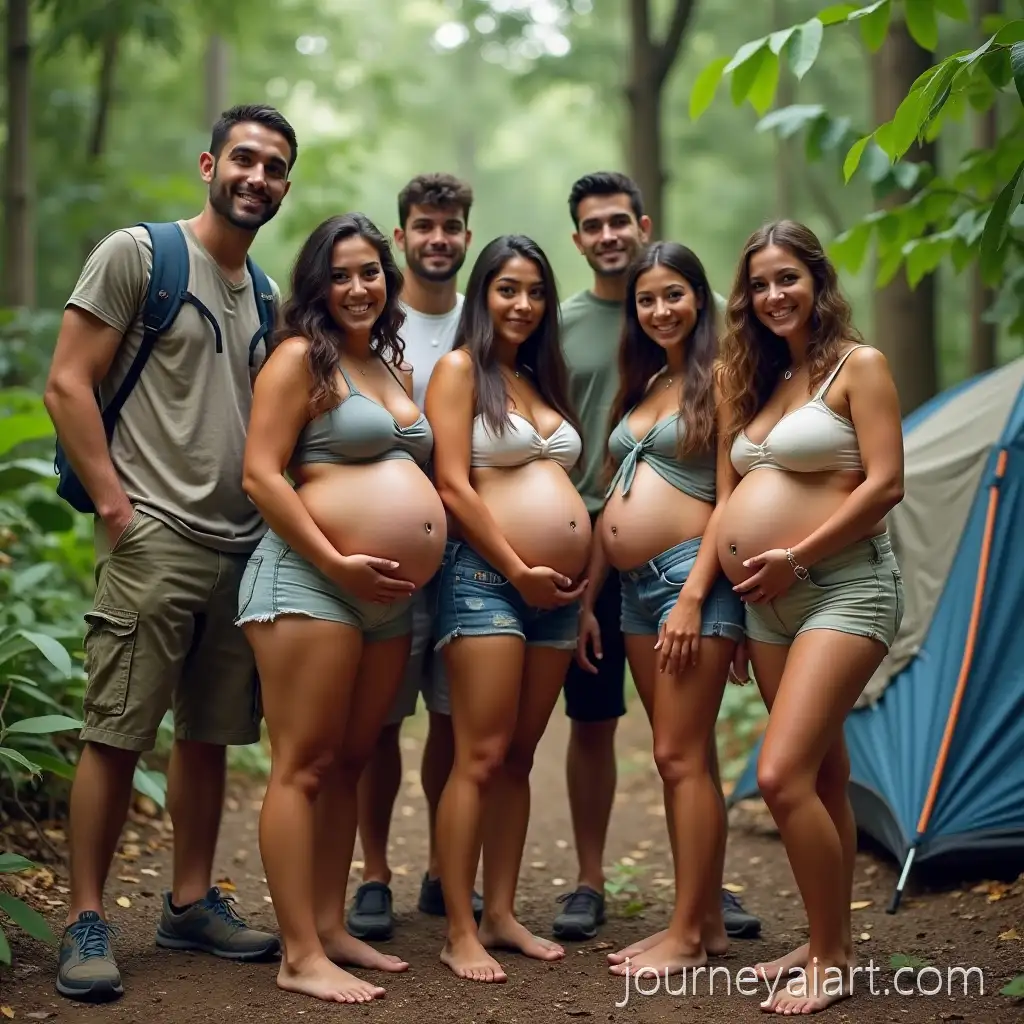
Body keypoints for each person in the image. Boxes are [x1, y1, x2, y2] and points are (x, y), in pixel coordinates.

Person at [43, 104, 297, 1003]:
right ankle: (84, 915)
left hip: (238, 548)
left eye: (273, 168)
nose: (256, 177)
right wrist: (116, 507)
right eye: (244, 159)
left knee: (210, 737)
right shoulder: (142, 257)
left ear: (284, 187)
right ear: (209, 163)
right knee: (115, 733)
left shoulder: (264, 294)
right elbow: (68, 380)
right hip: (154, 537)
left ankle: (190, 902)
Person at [237, 211, 447, 1003]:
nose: (359, 287)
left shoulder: (388, 366)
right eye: (343, 273)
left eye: (371, 273)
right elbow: (260, 475)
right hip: (310, 582)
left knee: (352, 763)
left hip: (384, 602)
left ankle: (329, 926)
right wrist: (335, 559)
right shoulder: (298, 357)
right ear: (317, 284)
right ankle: (298, 953)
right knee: (304, 765)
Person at [555, 171, 761, 942]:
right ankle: (690, 914)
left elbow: (730, 495)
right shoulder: (647, 378)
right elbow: (613, 489)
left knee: (680, 753)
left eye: (675, 296)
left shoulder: (723, 372)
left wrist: (694, 595)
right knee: (664, 748)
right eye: (649, 300)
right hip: (628, 583)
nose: (661, 308)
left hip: (686, 581)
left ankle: (692, 921)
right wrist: (589, 589)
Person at [714, 219, 904, 1014]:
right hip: (765, 608)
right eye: (758, 284)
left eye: (787, 278)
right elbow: (728, 500)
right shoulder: (751, 379)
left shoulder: (860, 367)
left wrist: (796, 554)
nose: (772, 295)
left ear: (817, 281)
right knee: (823, 774)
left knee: (780, 774)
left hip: (844, 588)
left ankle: (833, 958)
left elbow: (885, 484)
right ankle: (828, 937)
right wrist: (725, 590)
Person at [426, 234, 589, 983]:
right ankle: (459, 927)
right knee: (481, 754)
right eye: (507, 289)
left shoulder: (536, 379)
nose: (522, 305)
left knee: (519, 757)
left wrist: (570, 585)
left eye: (535, 292)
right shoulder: (460, 370)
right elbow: (454, 485)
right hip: (486, 582)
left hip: (553, 602)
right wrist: (519, 567)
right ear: (482, 294)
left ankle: (500, 911)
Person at [348, 172, 483, 942]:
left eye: (452, 225)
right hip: (386, 562)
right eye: (425, 226)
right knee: (377, 724)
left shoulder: (481, 324)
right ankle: (373, 873)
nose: (439, 238)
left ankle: (443, 865)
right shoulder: (369, 314)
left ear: (467, 235)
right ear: (401, 237)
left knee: (452, 722)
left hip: (466, 560)